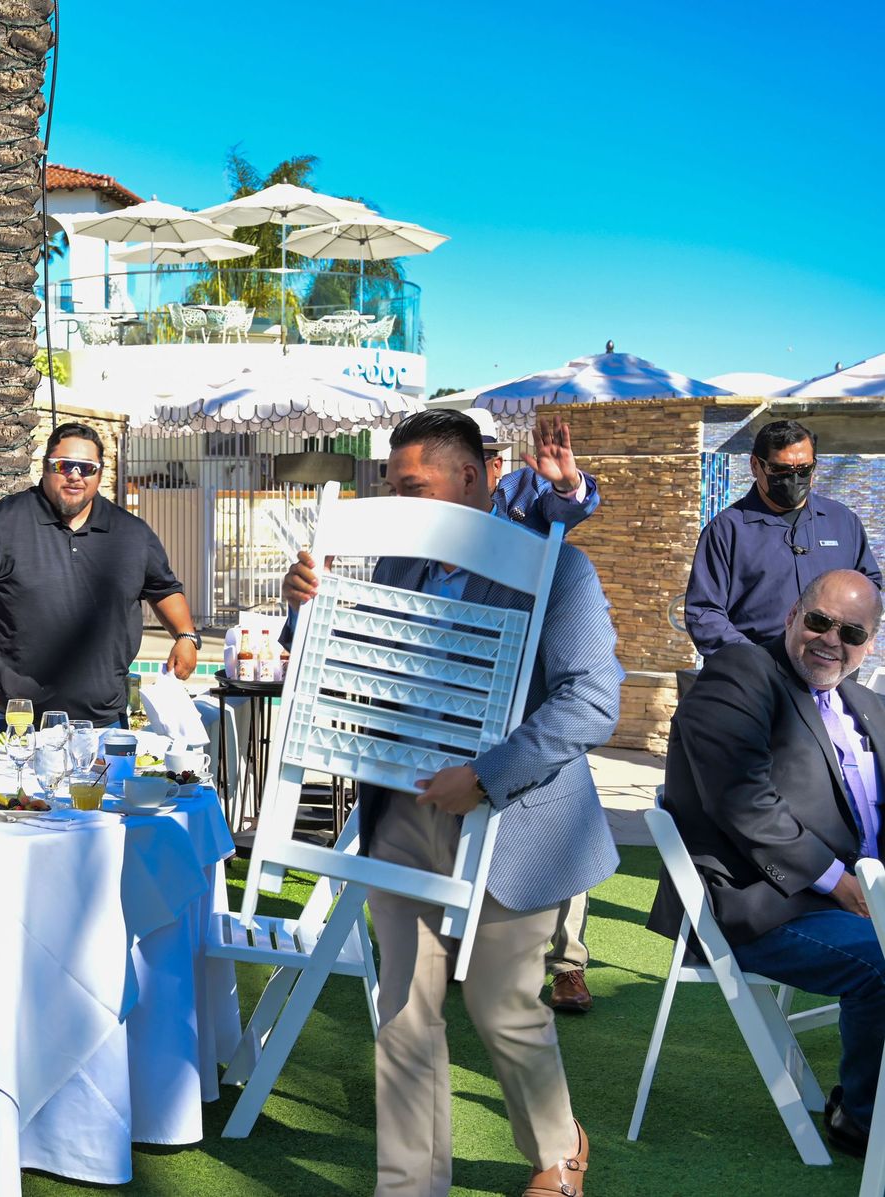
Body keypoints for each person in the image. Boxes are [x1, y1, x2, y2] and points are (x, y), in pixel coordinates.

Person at [284, 409, 619, 1197]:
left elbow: (593, 701)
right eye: (392, 486)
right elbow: (345, 661)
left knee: (504, 1005)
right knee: (403, 1010)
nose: (396, 503)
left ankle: (558, 1149)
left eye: (413, 487)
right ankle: (408, 1184)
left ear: (470, 478)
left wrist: (488, 774)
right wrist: (307, 608)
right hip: (402, 810)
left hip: (515, 821)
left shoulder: (558, 569)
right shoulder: (397, 563)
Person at [650, 569, 885, 1158]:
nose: (831, 639)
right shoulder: (741, 674)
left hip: (858, 896)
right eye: (820, 621)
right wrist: (840, 884)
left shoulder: (867, 705)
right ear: (791, 617)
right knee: (883, 965)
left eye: (851, 632)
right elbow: (743, 801)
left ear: (870, 644)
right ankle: (864, 1121)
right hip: (762, 905)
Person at [461, 408, 599, 1013]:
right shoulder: (426, 519)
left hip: (536, 687)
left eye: (479, 459)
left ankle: (568, 964)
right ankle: (465, 947)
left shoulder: (524, 493)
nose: (468, 473)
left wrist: (567, 485)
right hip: (465, 691)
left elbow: (569, 508)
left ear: (493, 465)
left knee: (557, 812)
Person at [0, 421, 197, 734]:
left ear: (99, 474)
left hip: (103, 723)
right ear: (46, 468)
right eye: (64, 465)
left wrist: (185, 636)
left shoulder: (132, 534)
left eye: (87, 468)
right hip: (7, 716)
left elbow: (164, 589)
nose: (75, 475)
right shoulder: (0, 525)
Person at [685, 419, 881, 655]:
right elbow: (704, 613)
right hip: (757, 667)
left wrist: (862, 634)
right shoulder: (726, 530)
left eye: (804, 469)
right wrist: (754, 661)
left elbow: (869, 587)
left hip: (832, 663)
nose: (794, 479)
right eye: (781, 470)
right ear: (755, 465)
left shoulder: (842, 520)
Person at [463, 409, 599, 537]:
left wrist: (567, 487)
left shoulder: (529, 487)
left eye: (474, 460)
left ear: (496, 466)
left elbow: (562, 515)